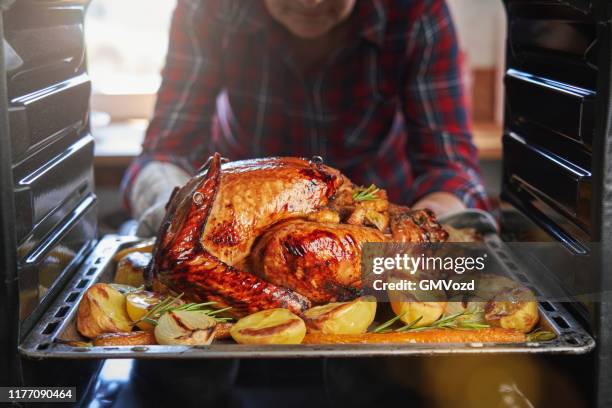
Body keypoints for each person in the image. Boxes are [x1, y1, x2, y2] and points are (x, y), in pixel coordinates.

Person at [123, 0, 489, 236]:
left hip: (380, 230)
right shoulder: (207, 9)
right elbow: (165, 154)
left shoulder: (417, 11)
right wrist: (177, 216)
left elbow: (449, 167)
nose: (308, 2)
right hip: (236, 224)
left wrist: (431, 231)